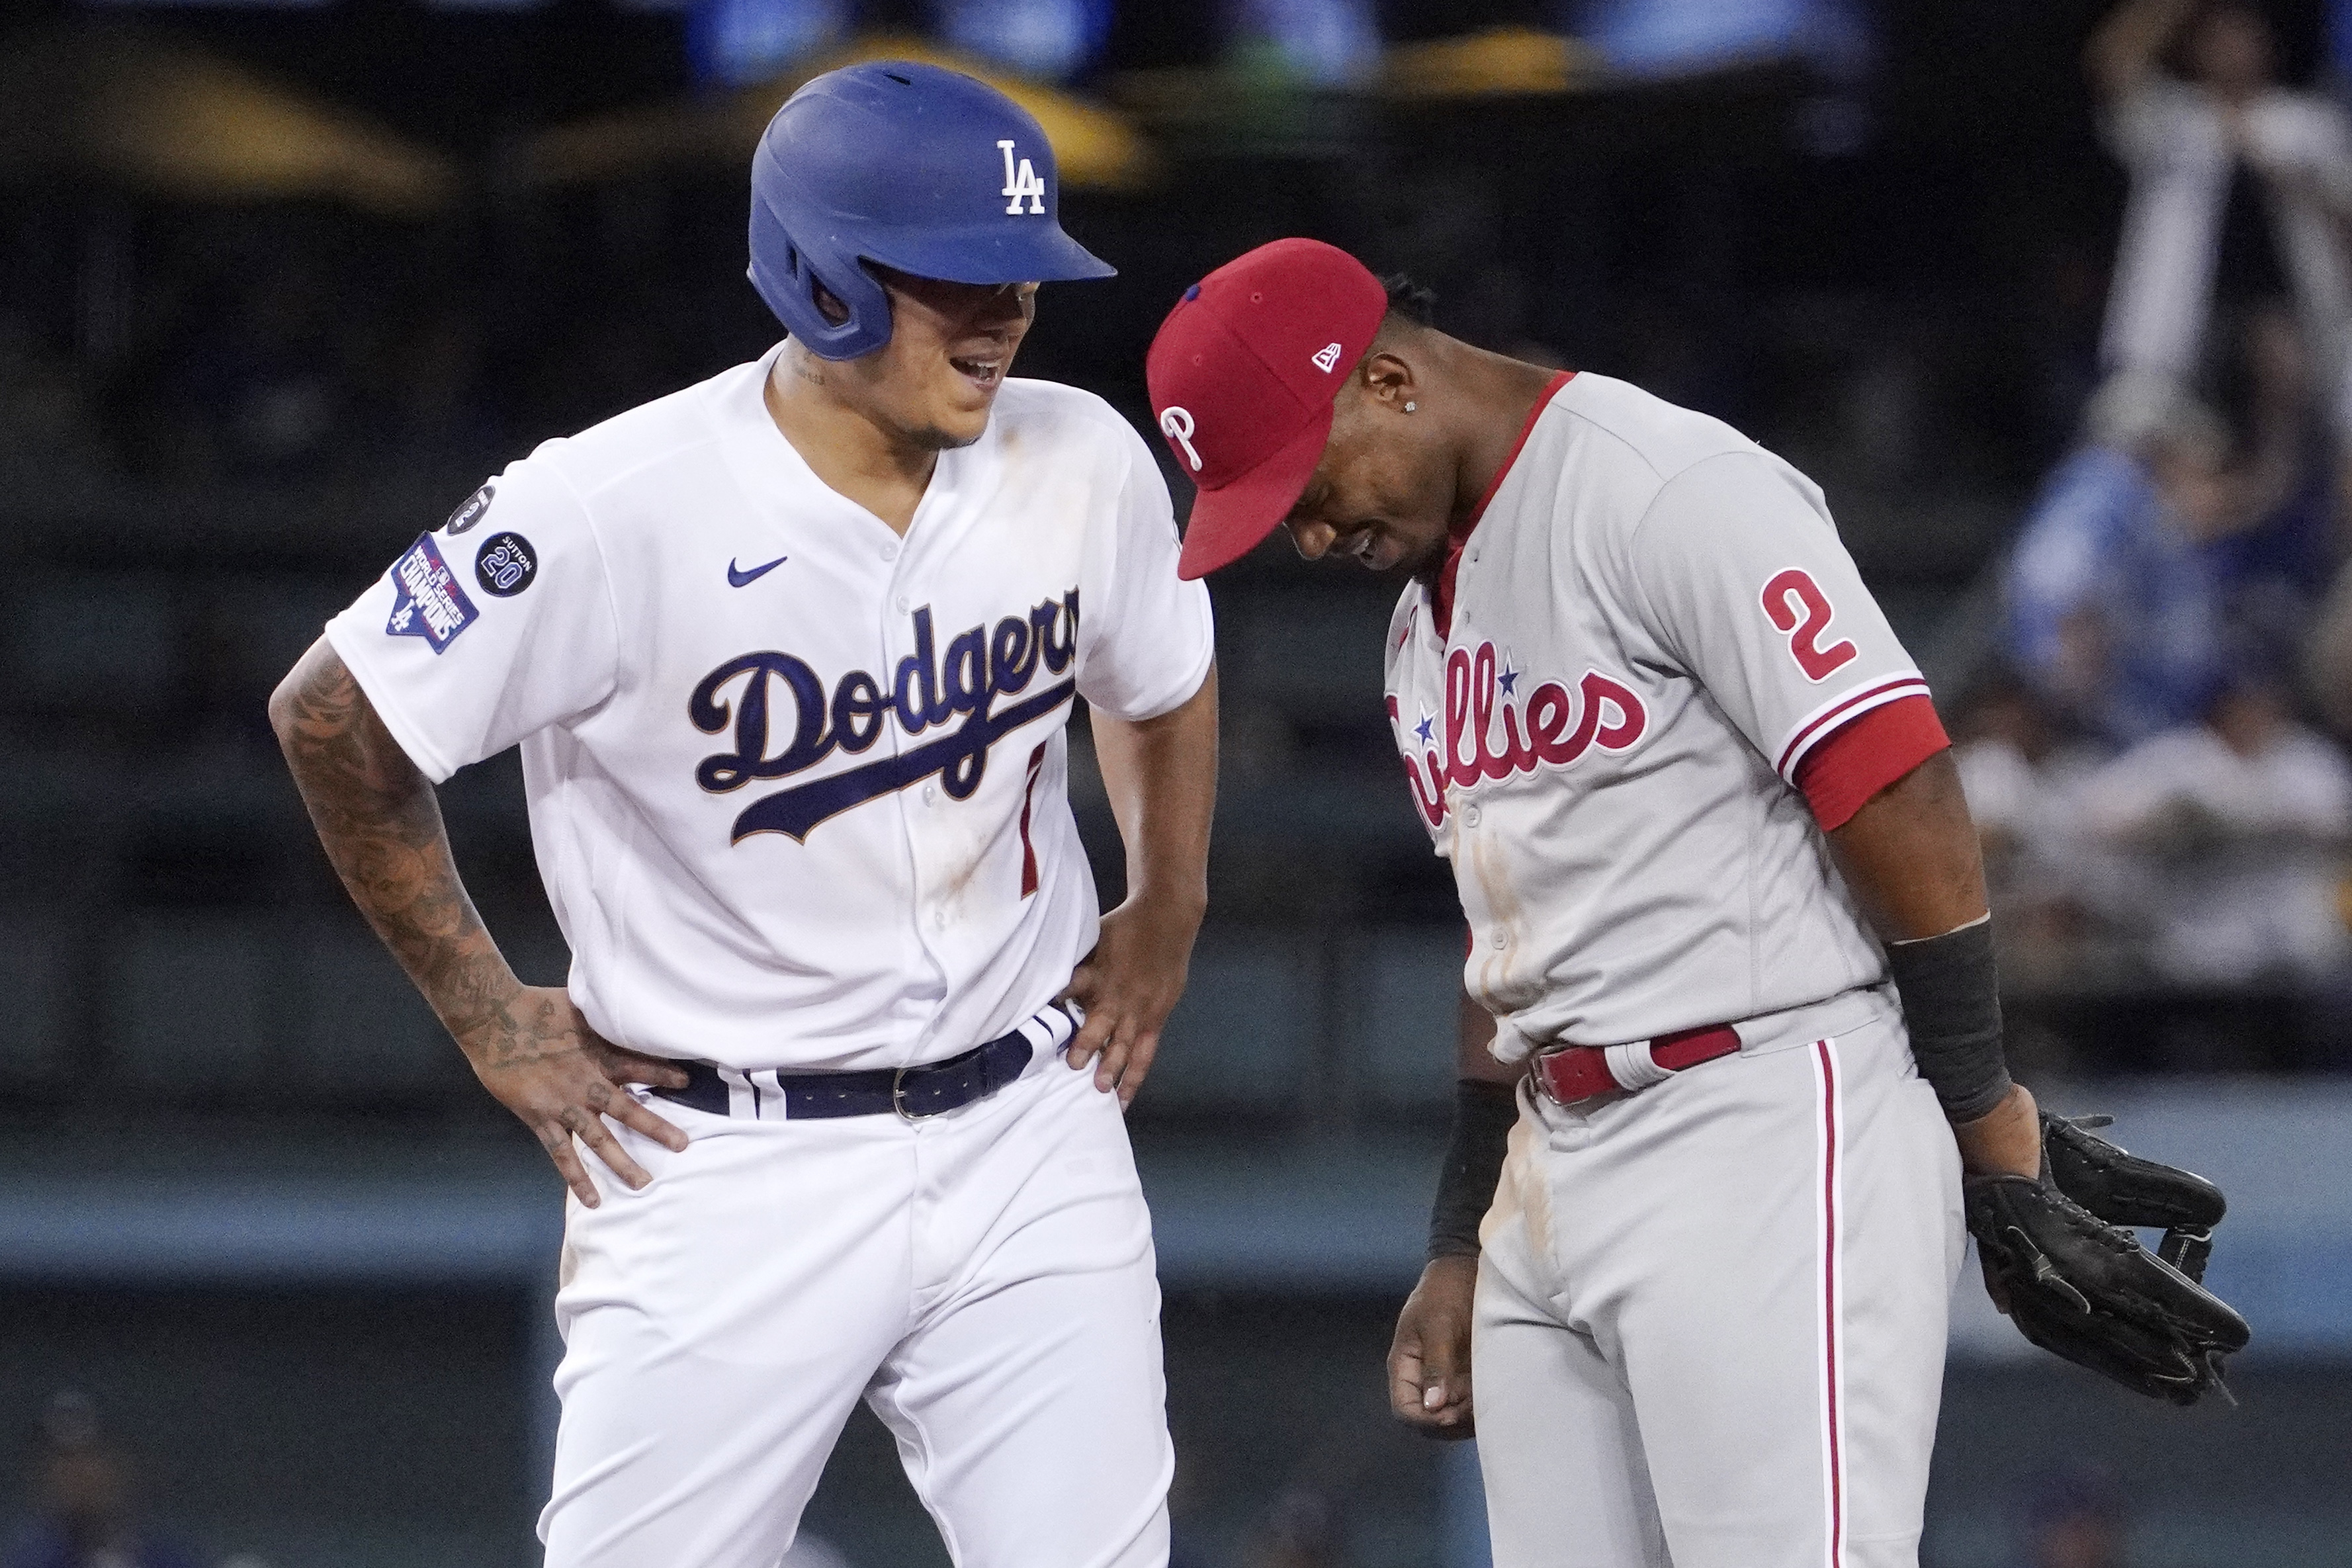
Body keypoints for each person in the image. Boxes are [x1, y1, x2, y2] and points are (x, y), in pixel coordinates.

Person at [269, 64, 1217, 1568]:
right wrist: (489, 1014)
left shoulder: (1081, 460)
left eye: (1021, 278)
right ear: (819, 276)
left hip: (1028, 1129)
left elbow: (1158, 678)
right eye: (956, 280)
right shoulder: (607, 504)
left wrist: (1167, 897)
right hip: (722, 1156)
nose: (1005, 317)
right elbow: (333, 714)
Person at [1145, 240, 2040, 1568]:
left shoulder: (1658, 486)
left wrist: (1982, 1112)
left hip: (1756, 1113)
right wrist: (1460, 1235)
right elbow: (1501, 933)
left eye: (1309, 488)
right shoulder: (1416, 632)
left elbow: (1889, 775)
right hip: (1548, 1161)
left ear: (1387, 380)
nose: (1313, 536)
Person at [2087, 0, 2352, 423]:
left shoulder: (2309, 125)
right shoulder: (2175, 119)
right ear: (2194, 50)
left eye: (2243, 33)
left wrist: (2285, 178)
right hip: (2176, 347)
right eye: (2217, 37)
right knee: (2129, 447)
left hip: (2304, 341)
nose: (2234, 46)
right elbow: (2111, 64)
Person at [2077, 674, 2352, 985]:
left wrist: (2272, 822)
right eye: (2243, 705)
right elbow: (2095, 820)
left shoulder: (2305, 759)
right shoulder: (2177, 756)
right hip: (2191, 941)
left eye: (2263, 703)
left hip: (2293, 943)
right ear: (2220, 709)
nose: (2255, 715)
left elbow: (2339, 827)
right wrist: (2166, 823)